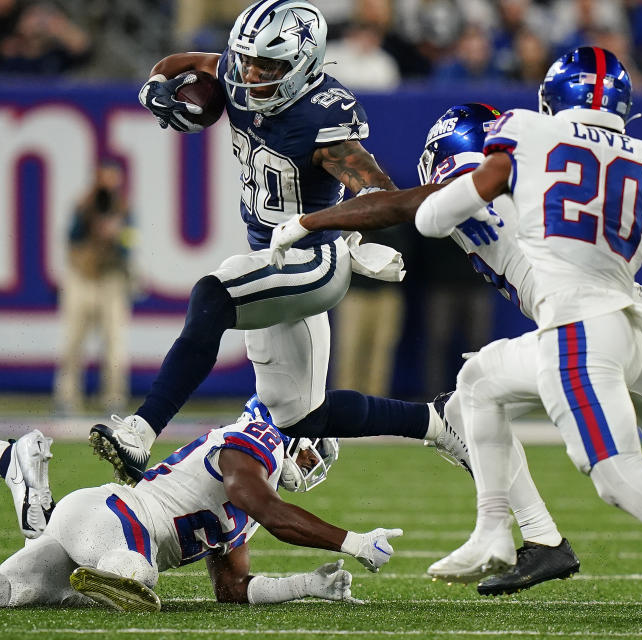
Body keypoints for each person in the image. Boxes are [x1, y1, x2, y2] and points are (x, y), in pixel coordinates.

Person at [271, 56, 642, 634]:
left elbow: (409, 208)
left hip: (583, 327)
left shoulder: (509, 159)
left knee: (535, 423)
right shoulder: (610, 158)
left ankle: (522, 535)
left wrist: (313, 222)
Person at [90, 0, 468, 486]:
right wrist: (156, 90)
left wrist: (318, 222)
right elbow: (177, 65)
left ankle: (140, 430)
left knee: (214, 294)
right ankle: (437, 422)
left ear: (303, 63)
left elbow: (384, 196)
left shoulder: (321, 117)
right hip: (272, 258)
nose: (251, 73)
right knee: (300, 418)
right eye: (246, 59)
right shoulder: (239, 69)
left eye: (267, 64)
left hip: (314, 260)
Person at [0, 396, 403, 610]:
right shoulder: (258, 439)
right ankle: (35, 500)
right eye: (311, 456)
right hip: (115, 517)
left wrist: (306, 585)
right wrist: (354, 542)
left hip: (92, 525)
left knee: (12, 591)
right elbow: (273, 513)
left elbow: (231, 589)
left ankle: (46, 529)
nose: (311, 467)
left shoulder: (252, 495)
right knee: (137, 575)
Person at [54, 160, 135, 416]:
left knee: (114, 341)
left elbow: (129, 244)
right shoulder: (83, 205)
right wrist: (89, 218)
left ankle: (113, 398)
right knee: (73, 340)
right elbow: (72, 238)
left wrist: (117, 234)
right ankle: (67, 398)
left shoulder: (123, 209)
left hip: (111, 279)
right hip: (82, 277)